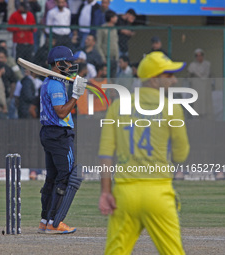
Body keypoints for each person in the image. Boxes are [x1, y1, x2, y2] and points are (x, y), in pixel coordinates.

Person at [98, 51, 189, 254]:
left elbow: (105, 153)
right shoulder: (172, 108)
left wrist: (105, 192)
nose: (174, 80)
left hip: (125, 194)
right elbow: (181, 154)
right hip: (159, 193)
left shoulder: (117, 105)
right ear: (154, 80)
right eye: (169, 75)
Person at [38, 46, 87, 234]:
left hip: (49, 133)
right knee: (66, 177)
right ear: (59, 63)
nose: (72, 65)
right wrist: (76, 96)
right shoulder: (55, 84)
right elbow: (61, 112)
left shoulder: (50, 81)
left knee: (52, 177)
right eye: (69, 61)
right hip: (59, 135)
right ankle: (55, 222)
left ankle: (45, 220)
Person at [187, 48, 212, 118]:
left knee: (205, 106)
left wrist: (197, 74)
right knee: (196, 106)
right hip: (196, 88)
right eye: (197, 56)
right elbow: (190, 77)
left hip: (205, 89)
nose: (199, 57)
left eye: (200, 55)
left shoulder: (207, 64)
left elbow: (206, 76)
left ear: (203, 56)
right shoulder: (192, 65)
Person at [97, 10, 119, 77]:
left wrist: (117, 58)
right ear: (111, 18)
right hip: (106, 58)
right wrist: (103, 58)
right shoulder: (102, 28)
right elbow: (98, 45)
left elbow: (116, 43)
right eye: (115, 17)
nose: (117, 18)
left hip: (114, 59)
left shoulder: (115, 29)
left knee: (113, 79)